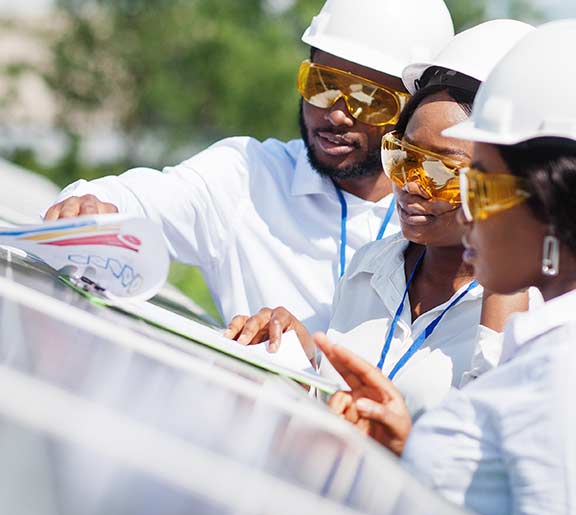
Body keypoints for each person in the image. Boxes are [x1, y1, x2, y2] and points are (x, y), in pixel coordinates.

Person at [319, 21, 576, 515]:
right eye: (405, 157)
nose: (414, 185)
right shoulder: (549, 345)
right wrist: (407, 444)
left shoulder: (559, 370)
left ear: (549, 199)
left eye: (474, 183)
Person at [42, 0, 455, 334]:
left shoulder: (442, 219)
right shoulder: (247, 177)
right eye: (322, 85)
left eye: (370, 99)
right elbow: (132, 200)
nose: (337, 114)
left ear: (411, 110)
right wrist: (88, 207)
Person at [226, 21, 533, 419]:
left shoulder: (536, 314)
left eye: (441, 172)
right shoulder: (370, 268)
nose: (411, 184)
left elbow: (491, 448)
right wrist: (301, 366)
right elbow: (337, 413)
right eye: (405, 157)